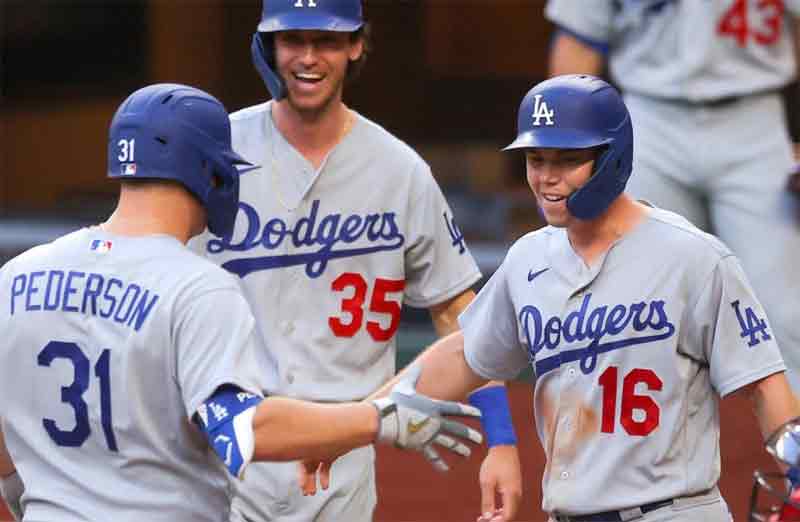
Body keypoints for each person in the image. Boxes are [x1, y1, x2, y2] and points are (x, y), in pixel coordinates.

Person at [0, 83, 484, 522]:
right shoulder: (197, 287)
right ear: (207, 172)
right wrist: (378, 418)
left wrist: (27, 497)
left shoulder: (18, 276)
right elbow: (239, 430)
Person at [372, 74, 800, 522]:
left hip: (673, 510)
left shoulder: (694, 256)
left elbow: (763, 383)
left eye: (567, 160)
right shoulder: (528, 260)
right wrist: (350, 425)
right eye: (535, 159)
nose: (546, 177)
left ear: (611, 157)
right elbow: (465, 355)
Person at [189, 1, 522, 521]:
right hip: (222, 449)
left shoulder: (399, 170)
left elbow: (462, 315)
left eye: (326, 41)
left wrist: (500, 438)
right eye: (292, 40)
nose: (308, 57)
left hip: (342, 451)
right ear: (267, 46)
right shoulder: (212, 152)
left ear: (356, 45)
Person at [544, 0, 800, 392]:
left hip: (756, 117)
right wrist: (567, 150)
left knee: (786, 314)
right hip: (650, 119)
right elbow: (579, 42)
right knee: (632, 301)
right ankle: (627, 448)